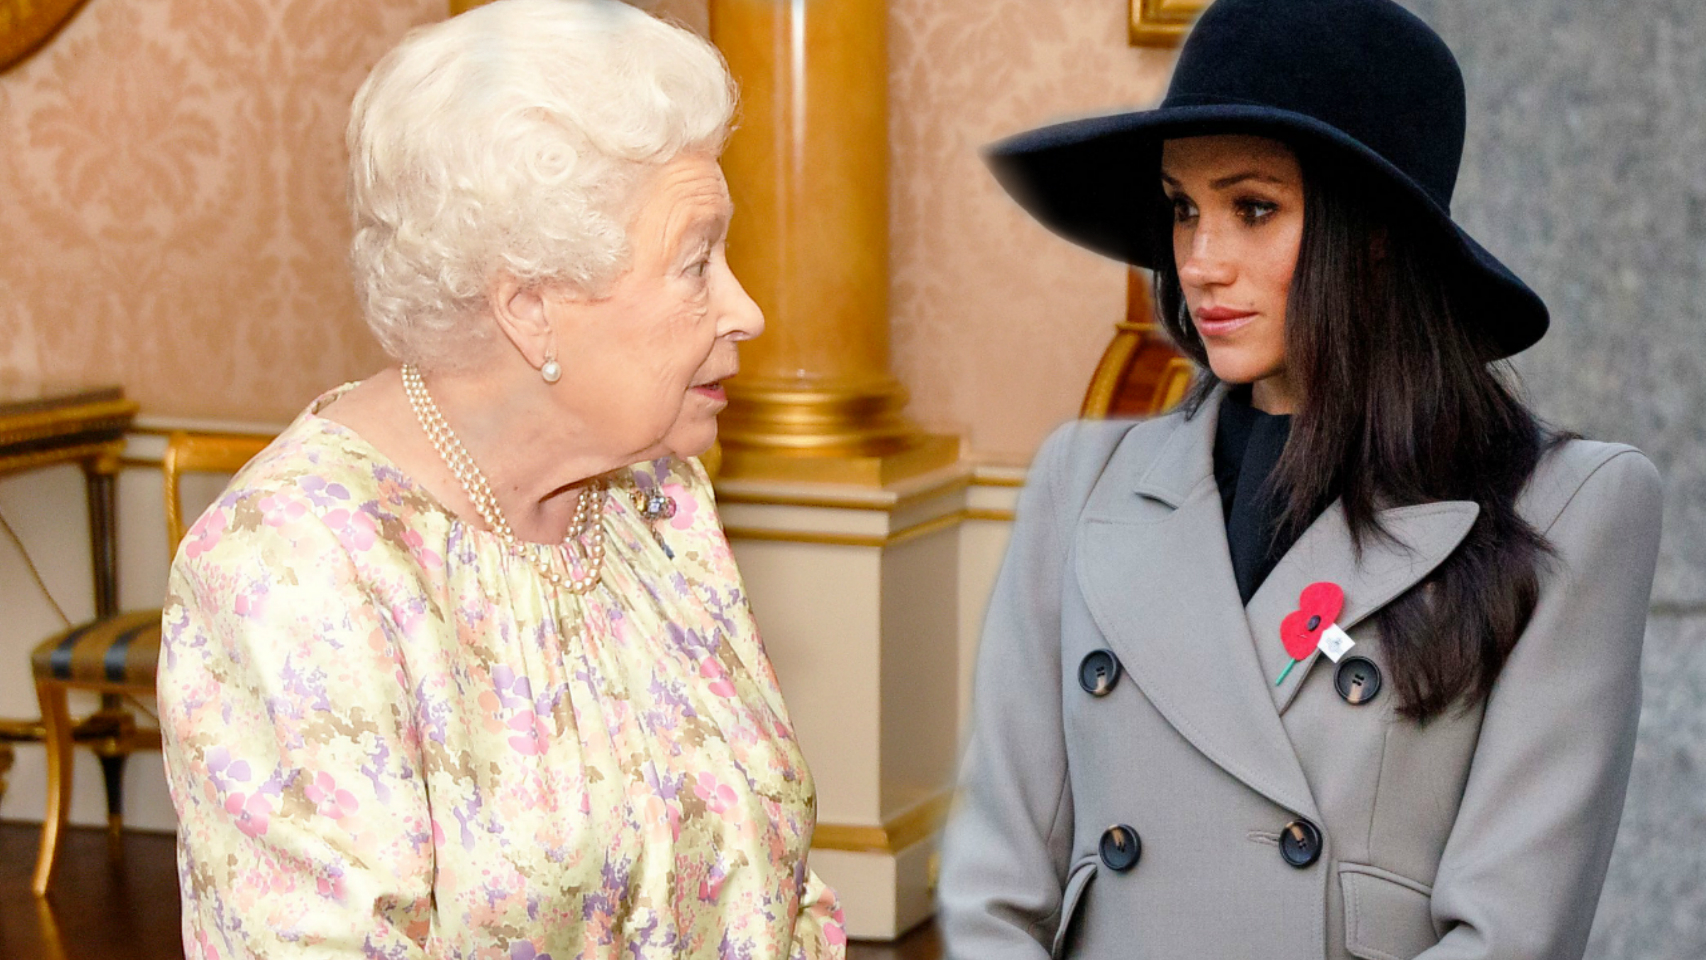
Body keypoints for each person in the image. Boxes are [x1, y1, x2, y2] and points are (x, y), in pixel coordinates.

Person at [938, 1, 1662, 958]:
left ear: (1372, 233)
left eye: (1253, 208)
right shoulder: (1081, 482)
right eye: (1184, 207)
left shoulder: (1569, 508)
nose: (1199, 260)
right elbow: (996, 890)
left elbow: (1509, 935)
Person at [157, 2, 846, 957]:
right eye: (697, 263)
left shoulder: (659, 499)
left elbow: (770, 884)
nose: (748, 310)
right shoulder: (291, 569)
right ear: (530, 307)